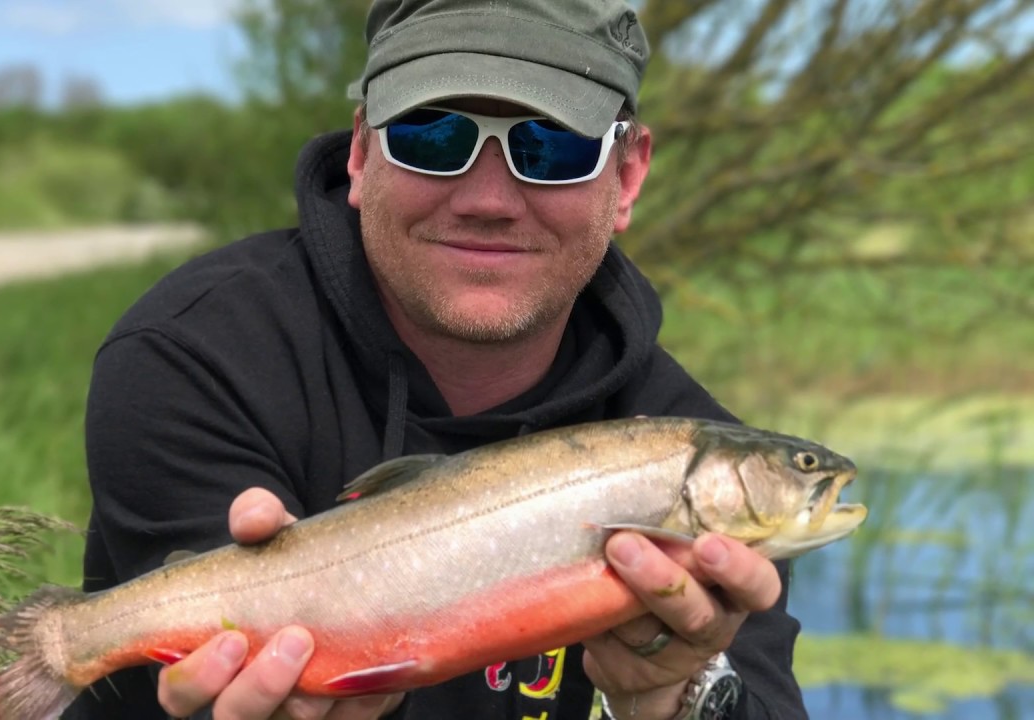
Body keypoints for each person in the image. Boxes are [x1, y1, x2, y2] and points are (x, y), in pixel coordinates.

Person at [63, 0, 808, 718]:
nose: (488, 198)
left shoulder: (704, 471)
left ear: (627, 176)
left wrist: (678, 702)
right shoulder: (195, 355)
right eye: (433, 136)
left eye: (551, 145)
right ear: (360, 151)